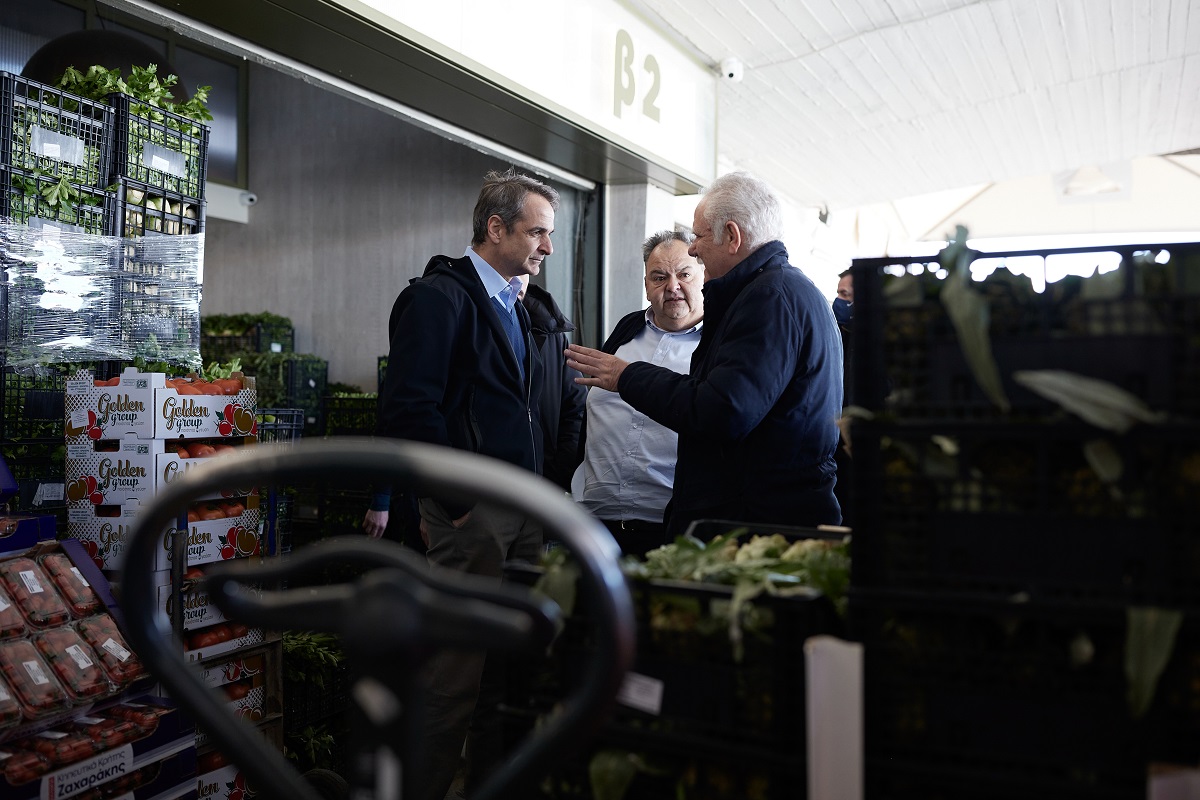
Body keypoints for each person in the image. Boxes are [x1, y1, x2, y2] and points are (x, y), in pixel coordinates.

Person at [366, 167, 558, 800]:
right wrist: (457, 504)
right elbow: (408, 411)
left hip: (522, 513)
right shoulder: (437, 299)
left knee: (510, 668)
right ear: (495, 227)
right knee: (456, 674)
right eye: (537, 232)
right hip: (476, 519)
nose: (546, 247)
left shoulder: (517, 306)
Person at [566, 172, 843, 538]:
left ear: (731, 236)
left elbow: (724, 411)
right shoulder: (775, 292)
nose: (693, 248)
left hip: (754, 530)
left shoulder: (769, 298)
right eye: (659, 277)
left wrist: (627, 376)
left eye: (697, 236)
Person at [571, 230, 703, 555]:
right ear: (646, 286)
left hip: (670, 530)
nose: (672, 287)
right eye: (659, 277)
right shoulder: (627, 330)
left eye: (684, 274)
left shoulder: (718, 347)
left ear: (704, 277)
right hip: (592, 522)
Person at [516, 274, 586, 491]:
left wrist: (557, 478)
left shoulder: (549, 328)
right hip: (480, 492)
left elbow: (575, 410)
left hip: (543, 488)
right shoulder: (461, 313)